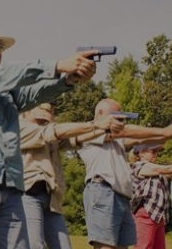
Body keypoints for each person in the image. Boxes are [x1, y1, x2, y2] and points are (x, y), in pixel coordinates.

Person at [0, 26, 99, 249]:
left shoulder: (5, 91)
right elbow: (8, 74)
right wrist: (56, 65)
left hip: (10, 186)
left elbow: (33, 93)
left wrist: (67, 80)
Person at [79, 99, 172, 249]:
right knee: (106, 246)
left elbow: (139, 138)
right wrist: (164, 131)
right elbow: (128, 132)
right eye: (116, 116)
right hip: (102, 191)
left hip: (122, 196)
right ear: (100, 114)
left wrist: (170, 135)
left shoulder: (116, 138)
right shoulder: (89, 131)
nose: (120, 121)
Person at [20, 103, 123, 249]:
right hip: (27, 195)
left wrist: (102, 127)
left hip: (51, 199)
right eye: (39, 118)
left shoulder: (48, 130)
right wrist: (96, 124)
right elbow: (56, 131)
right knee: (35, 245)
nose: (43, 122)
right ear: (26, 112)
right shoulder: (19, 127)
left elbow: (76, 139)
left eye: (45, 120)